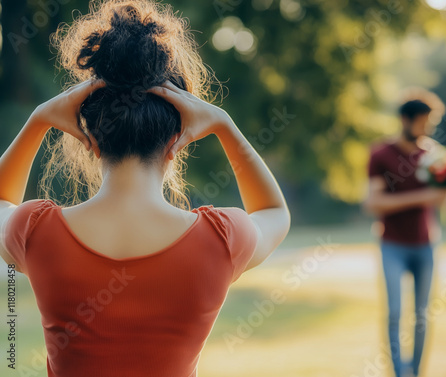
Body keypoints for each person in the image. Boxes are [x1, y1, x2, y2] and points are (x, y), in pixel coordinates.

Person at [0, 1, 290, 376]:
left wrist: (38, 120)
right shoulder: (222, 239)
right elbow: (274, 213)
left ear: (91, 138)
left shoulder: (34, 231)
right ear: (176, 139)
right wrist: (224, 125)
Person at [362, 91, 446, 377]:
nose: (427, 129)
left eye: (431, 123)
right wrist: (422, 197)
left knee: (422, 317)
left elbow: (441, 200)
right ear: (405, 119)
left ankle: (415, 373)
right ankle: (398, 373)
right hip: (392, 244)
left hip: (426, 244)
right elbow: (373, 203)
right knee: (394, 314)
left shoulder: (436, 155)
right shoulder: (381, 154)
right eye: (423, 122)